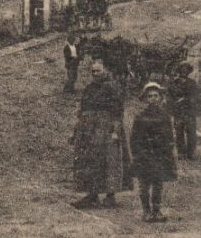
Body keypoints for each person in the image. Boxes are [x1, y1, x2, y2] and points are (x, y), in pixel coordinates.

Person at [70, 60, 126, 209]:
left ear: (106, 70)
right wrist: (78, 129)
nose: (94, 74)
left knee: (110, 160)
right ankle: (92, 195)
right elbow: (82, 109)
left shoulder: (113, 87)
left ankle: (110, 196)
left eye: (98, 71)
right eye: (92, 71)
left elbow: (118, 111)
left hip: (106, 127)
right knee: (90, 160)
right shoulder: (89, 88)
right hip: (89, 129)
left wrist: (115, 131)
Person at [128, 81, 178, 223]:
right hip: (144, 155)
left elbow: (169, 136)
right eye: (150, 96)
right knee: (144, 185)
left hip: (159, 155)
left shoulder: (165, 116)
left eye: (156, 96)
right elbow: (134, 139)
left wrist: (168, 150)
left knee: (158, 184)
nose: (153, 99)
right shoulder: (140, 117)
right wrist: (139, 153)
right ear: (145, 99)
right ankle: (146, 211)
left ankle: (157, 211)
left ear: (160, 98)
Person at [168, 61, 198, 160]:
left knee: (191, 132)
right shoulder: (174, 83)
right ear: (179, 71)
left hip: (189, 111)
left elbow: (195, 97)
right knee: (179, 131)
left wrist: (185, 99)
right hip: (178, 112)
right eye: (182, 70)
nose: (184, 72)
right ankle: (181, 152)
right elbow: (170, 96)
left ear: (189, 71)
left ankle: (191, 152)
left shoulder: (192, 83)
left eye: (186, 70)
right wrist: (173, 105)